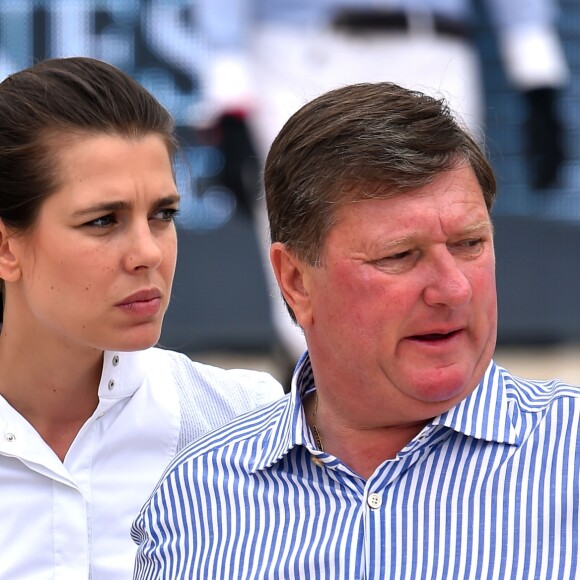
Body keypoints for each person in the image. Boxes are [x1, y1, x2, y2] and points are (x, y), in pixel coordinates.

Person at [132, 82, 580, 579]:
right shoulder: (195, 501)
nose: (452, 290)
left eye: (469, 244)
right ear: (296, 281)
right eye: (399, 256)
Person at [0, 56, 283, 580]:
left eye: (163, 215)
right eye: (103, 220)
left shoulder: (249, 423)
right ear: (6, 246)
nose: (147, 253)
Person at [195, 0, 569, 373]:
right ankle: (314, 384)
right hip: (302, 50)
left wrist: (535, 63)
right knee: (309, 229)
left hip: (436, 46)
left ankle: (449, 377)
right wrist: (229, 86)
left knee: (448, 220)